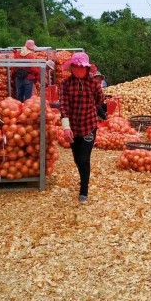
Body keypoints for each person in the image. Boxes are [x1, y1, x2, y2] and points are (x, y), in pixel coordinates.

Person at [59, 52, 104, 203]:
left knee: (84, 158)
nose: (78, 70)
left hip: (89, 127)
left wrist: (92, 110)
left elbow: (100, 99)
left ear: (87, 69)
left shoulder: (93, 83)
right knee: (77, 158)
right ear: (71, 68)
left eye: (81, 67)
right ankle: (83, 177)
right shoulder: (65, 84)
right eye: (76, 67)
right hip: (72, 129)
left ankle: (84, 190)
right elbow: (63, 106)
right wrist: (66, 127)